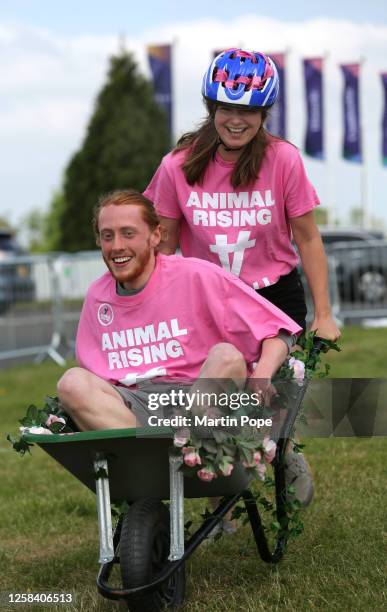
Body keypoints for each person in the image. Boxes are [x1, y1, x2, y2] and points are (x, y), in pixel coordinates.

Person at [144, 48, 341, 506]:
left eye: (249, 110)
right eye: (227, 108)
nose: (237, 119)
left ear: (263, 112)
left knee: (266, 386)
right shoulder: (176, 165)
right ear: (212, 107)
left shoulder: (283, 160)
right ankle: (218, 484)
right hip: (207, 300)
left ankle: (281, 446)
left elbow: (308, 239)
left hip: (273, 297)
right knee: (217, 387)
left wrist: (325, 314)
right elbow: (165, 246)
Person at [57, 189, 301, 434]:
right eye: (107, 236)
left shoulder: (197, 275)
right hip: (134, 408)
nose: (117, 246)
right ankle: (149, 459)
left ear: (155, 236)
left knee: (226, 356)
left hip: (200, 395)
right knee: (71, 382)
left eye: (128, 234)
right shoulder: (97, 297)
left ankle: (189, 449)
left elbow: (279, 332)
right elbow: (94, 384)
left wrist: (263, 373)